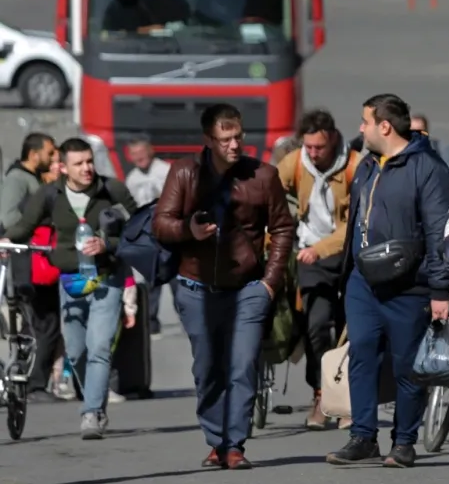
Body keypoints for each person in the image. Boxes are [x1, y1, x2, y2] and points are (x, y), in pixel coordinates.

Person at [152, 104, 296, 469]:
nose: (234, 145)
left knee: (242, 365)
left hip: (248, 289)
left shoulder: (263, 176)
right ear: (208, 141)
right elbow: (161, 224)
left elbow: (282, 228)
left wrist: (270, 281)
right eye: (225, 139)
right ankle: (216, 441)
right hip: (196, 288)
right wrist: (189, 230)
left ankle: (234, 445)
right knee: (209, 368)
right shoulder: (184, 172)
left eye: (238, 137)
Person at [326, 94, 449, 468]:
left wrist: (440, 288)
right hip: (362, 282)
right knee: (362, 354)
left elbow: (439, 232)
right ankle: (363, 435)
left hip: (409, 285)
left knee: (407, 365)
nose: (361, 128)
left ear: (385, 126)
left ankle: (404, 441)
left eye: (366, 121)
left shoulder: (428, 168)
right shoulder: (367, 165)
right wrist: (347, 274)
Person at [0, 137, 138, 439]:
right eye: (79, 163)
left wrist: (108, 244)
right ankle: (95, 397)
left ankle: (91, 413)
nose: (87, 168)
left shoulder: (111, 189)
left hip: (106, 277)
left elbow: (140, 228)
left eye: (89, 161)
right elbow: (23, 226)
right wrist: (7, 241)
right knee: (75, 352)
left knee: (99, 346)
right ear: (63, 166)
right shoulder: (50, 194)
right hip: (71, 281)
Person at [277, 110, 360, 431]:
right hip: (310, 257)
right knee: (316, 327)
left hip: (346, 254)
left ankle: (346, 401)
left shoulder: (354, 165)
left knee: (347, 330)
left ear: (334, 139)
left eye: (319, 148)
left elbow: (353, 224)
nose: (313, 153)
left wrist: (320, 249)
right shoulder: (296, 162)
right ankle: (321, 395)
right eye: (308, 147)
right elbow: (269, 191)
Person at [0, 132, 59, 402]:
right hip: (24, 263)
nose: (52, 156)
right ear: (34, 154)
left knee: (43, 323)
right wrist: (38, 219)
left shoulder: (34, 179)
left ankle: (33, 383)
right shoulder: (17, 180)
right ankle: (33, 385)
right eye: (49, 152)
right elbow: (9, 218)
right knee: (37, 323)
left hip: (38, 260)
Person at [123, 137, 172, 336]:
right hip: (148, 234)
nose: (139, 158)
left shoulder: (165, 171)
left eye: (141, 153)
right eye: (134, 154)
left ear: (150, 151)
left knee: (177, 278)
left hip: (169, 231)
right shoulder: (132, 178)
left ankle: (188, 317)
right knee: (152, 278)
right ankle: (151, 321)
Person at [409, 113, 449, 195]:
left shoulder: (440, 149)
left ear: (427, 132)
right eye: (412, 132)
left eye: (420, 132)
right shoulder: (400, 153)